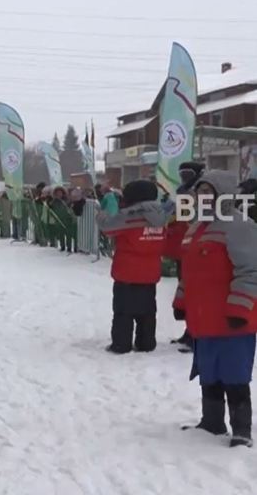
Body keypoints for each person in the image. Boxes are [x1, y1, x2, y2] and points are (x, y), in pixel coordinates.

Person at [173, 171, 257, 447]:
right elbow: (189, 271)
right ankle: (212, 422)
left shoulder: (239, 225)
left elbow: (251, 271)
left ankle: (242, 430)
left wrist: (240, 307)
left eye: (208, 192)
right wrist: (181, 301)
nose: (201, 197)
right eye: (199, 192)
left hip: (233, 319)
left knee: (234, 374)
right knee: (209, 372)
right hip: (204, 319)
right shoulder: (197, 226)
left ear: (223, 195)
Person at [97, 180, 167, 354]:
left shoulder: (129, 216)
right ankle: (146, 342)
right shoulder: (161, 217)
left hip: (127, 272)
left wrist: (101, 215)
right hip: (150, 272)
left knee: (123, 311)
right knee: (148, 311)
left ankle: (121, 344)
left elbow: (108, 228)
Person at [166, 162, 205, 351]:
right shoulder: (182, 192)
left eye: (188, 174)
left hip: (198, 247)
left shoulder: (203, 191)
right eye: (182, 174)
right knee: (185, 291)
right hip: (184, 247)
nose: (184, 178)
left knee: (196, 292)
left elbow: (196, 218)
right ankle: (189, 330)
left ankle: (196, 333)